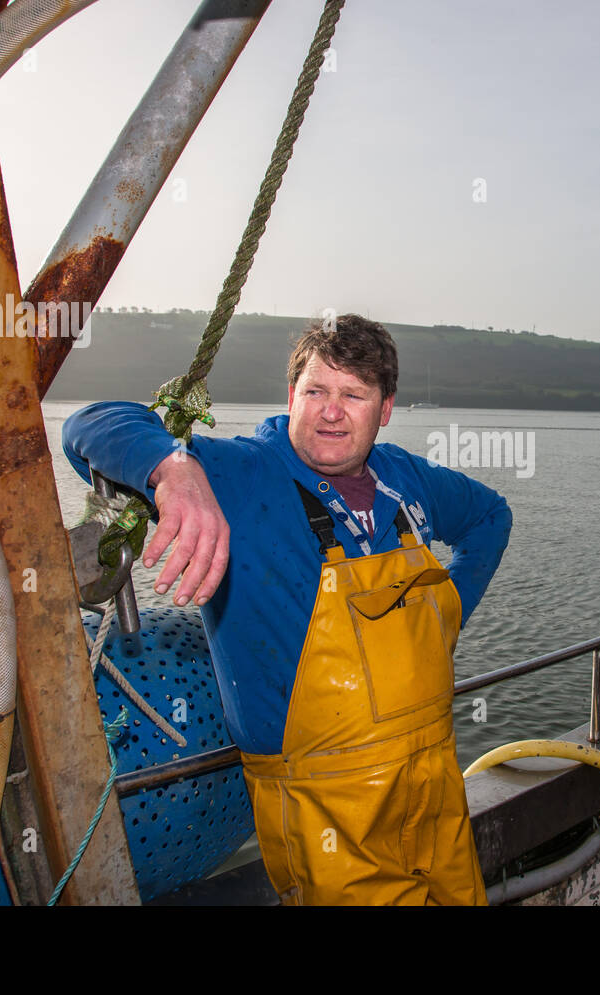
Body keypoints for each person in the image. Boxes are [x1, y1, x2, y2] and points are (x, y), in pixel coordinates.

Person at [62, 314, 511, 905]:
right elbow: (87, 424)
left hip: (434, 783)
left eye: (354, 394)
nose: (331, 411)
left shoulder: (404, 476)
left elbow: (490, 518)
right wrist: (173, 470)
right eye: (316, 391)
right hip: (321, 809)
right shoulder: (242, 472)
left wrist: (445, 611)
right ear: (290, 396)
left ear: (386, 408)